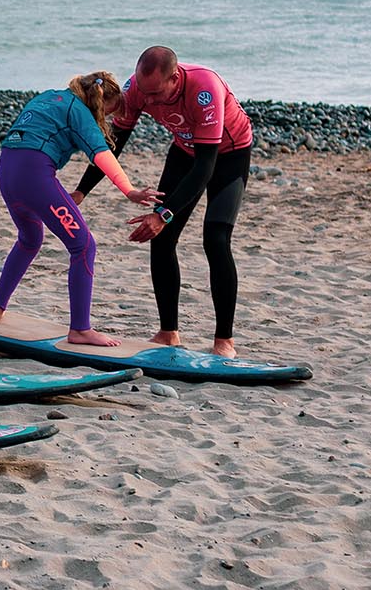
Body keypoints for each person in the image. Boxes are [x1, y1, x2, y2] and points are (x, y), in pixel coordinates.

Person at [73, 47, 254, 358]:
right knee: (162, 238)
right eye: (145, 93)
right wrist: (81, 192)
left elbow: (205, 167)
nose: (150, 101)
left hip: (228, 156)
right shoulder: (136, 90)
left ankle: (224, 340)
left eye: (156, 93)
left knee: (215, 239)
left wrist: (162, 213)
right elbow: (111, 148)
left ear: (175, 77)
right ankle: (168, 332)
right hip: (185, 152)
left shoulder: (204, 89)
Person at [0, 72, 160, 345]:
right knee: (84, 247)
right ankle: (80, 329)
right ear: (101, 102)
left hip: (6, 171)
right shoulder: (79, 112)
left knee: (30, 239)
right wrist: (130, 191)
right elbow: (102, 156)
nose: (109, 119)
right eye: (110, 112)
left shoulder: (47, 97)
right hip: (34, 175)